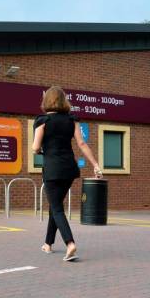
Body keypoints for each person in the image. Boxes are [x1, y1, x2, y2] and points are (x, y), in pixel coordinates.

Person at [32, 86, 103, 262]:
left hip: (52, 170)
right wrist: (96, 165)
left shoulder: (42, 121)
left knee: (56, 208)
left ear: (46, 100)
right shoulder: (72, 120)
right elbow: (81, 144)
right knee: (55, 206)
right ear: (64, 100)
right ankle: (48, 244)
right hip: (69, 169)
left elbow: (34, 148)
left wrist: (42, 150)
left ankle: (70, 243)